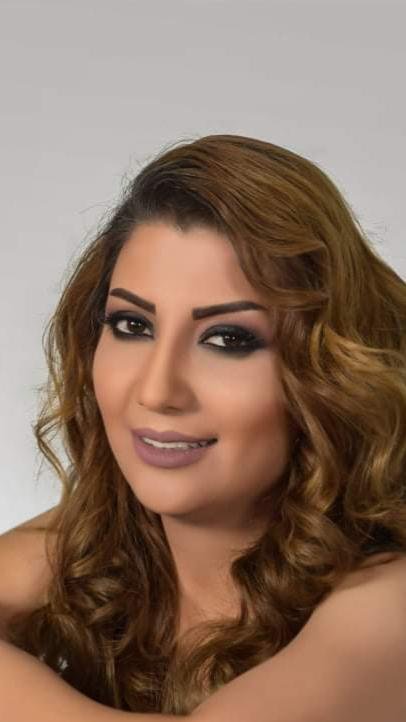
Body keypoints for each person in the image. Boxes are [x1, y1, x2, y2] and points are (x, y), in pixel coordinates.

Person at [1, 134, 406, 720]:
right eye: (132, 325)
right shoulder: (101, 537)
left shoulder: (388, 606)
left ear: (328, 373)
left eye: (229, 339)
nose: (157, 391)